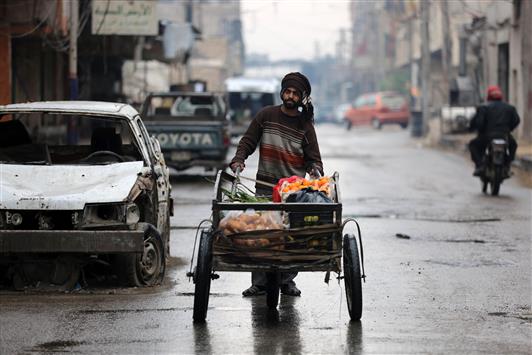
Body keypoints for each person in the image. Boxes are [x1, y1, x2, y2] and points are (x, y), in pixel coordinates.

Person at [229, 72, 323, 297]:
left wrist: (314, 170)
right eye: (287, 91)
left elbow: (314, 158)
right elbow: (248, 141)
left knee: (292, 236)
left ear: (302, 98)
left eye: (295, 93)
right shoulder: (266, 115)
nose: (290, 96)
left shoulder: (305, 125)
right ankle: (259, 283)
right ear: (282, 93)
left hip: (293, 192)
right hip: (264, 186)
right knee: (261, 234)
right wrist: (239, 159)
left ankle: (287, 281)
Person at [468, 85, 520, 176]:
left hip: (487, 136)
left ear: (488, 96)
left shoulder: (483, 107)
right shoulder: (510, 108)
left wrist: (477, 130)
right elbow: (516, 120)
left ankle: (480, 166)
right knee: (513, 145)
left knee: (473, 145)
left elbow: (479, 123)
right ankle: (507, 165)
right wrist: (509, 129)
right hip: (504, 135)